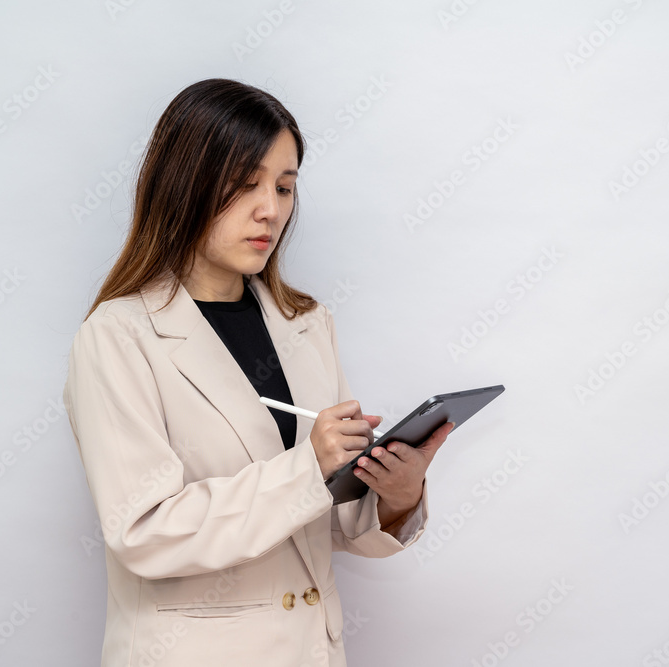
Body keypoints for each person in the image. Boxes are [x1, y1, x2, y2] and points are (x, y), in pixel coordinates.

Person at [62, 78, 454, 667]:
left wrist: (395, 495)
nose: (270, 208)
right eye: (246, 184)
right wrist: (308, 466)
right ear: (184, 183)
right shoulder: (118, 336)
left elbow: (330, 520)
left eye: (284, 187)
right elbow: (143, 532)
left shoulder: (307, 323)